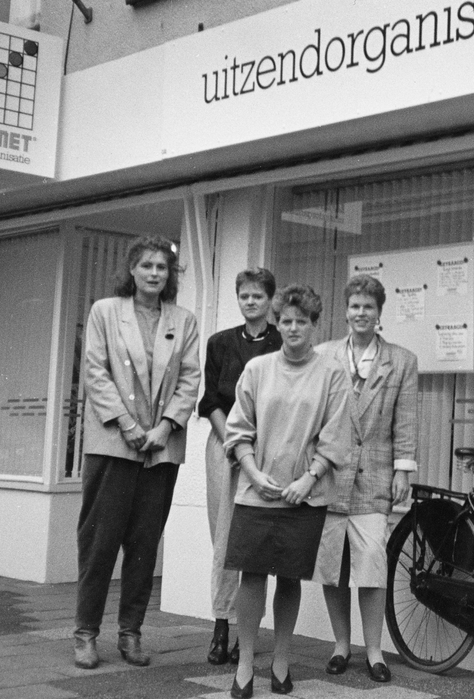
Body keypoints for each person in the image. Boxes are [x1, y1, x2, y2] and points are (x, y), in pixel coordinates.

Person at [73, 235, 201, 670]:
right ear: (131, 269)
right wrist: (127, 425)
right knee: (100, 542)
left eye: (162, 267)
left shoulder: (183, 320)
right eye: (146, 265)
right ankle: (86, 633)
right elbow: (95, 371)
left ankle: (130, 633)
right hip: (113, 444)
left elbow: (190, 379)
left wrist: (165, 427)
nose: (154, 273)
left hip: (159, 450)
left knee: (144, 545)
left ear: (170, 275)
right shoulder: (105, 312)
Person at [223, 284, 351, 698]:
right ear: (277, 324)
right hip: (257, 491)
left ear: (315, 325)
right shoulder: (257, 369)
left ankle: (281, 661)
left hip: (304, 495)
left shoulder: (332, 373)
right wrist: (253, 473)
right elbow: (238, 429)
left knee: (290, 578)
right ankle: (245, 663)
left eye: (302, 321)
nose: (293, 327)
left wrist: (308, 479)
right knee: (251, 575)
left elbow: (336, 435)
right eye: (287, 321)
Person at [312, 274, 419, 683]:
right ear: (346, 311)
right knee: (333, 565)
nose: (361, 313)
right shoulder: (323, 355)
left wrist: (402, 470)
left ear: (379, 313)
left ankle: (374, 650)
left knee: (372, 561)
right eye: (355, 306)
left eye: (368, 307)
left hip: (374, 476)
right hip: (330, 475)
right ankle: (341, 645)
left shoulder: (402, 361)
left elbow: (405, 421)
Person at [197, 268, 282, 665]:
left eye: (258, 296)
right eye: (244, 296)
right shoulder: (219, 343)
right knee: (225, 539)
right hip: (225, 447)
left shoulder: (282, 342)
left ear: (270, 300)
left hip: (267, 447)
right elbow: (211, 401)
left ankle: (248, 630)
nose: (250, 302)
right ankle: (221, 626)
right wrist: (233, 441)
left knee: (257, 540)